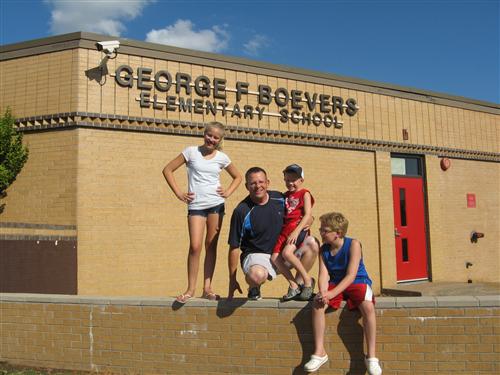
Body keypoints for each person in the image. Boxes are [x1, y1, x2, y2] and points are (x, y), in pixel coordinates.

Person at [163, 122, 242, 303]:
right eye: (209, 135)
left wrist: (228, 192)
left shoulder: (222, 157)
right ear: (204, 134)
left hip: (216, 205)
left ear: (220, 140)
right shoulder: (191, 152)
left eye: (216, 137)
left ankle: (207, 288)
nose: (211, 139)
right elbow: (167, 169)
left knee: (210, 245)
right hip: (196, 206)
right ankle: (190, 289)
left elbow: (238, 176)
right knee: (195, 246)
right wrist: (179, 193)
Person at [304, 212, 382, 374]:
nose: (321, 233)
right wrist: (323, 292)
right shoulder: (323, 249)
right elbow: (323, 274)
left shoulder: (353, 244)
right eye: (321, 229)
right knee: (317, 304)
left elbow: (351, 275)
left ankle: (372, 357)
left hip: (357, 281)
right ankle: (319, 352)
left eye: (324, 230)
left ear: (337, 233)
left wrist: (331, 295)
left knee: (368, 307)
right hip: (336, 283)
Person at [227, 166, 319, 301]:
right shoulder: (242, 210)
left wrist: (310, 219)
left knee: (312, 243)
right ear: (247, 186)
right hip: (258, 256)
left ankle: (300, 285)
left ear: (267, 183)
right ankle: (254, 287)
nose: (258, 186)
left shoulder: (281, 198)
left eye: (261, 182)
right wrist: (232, 280)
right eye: (253, 183)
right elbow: (234, 247)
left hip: (281, 253)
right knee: (257, 275)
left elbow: (300, 212)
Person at [271, 164, 316, 301]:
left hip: (297, 228)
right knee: (274, 258)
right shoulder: (284, 196)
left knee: (287, 253)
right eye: (287, 180)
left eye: (293, 180)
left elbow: (308, 215)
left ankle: (307, 282)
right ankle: (294, 284)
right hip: (285, 230)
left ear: (301, 180)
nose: (290, 183)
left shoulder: (305, 193)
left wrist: (296, 232)